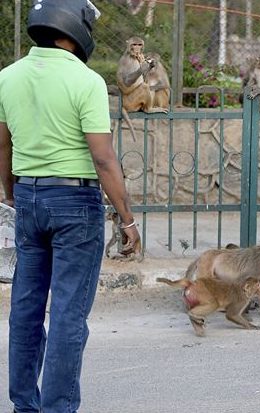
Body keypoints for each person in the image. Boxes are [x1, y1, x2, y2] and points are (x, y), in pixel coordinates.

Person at [0, 1, 140, 412]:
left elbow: (2, 144)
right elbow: (103, 158)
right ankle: (57, 408)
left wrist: (9, 191)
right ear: (74, 29)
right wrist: (127, 219)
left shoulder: (7, 77)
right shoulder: (86, 81)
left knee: (26, 307)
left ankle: (24, 404)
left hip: (28, 198)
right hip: (75, 203)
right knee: (66, 314)